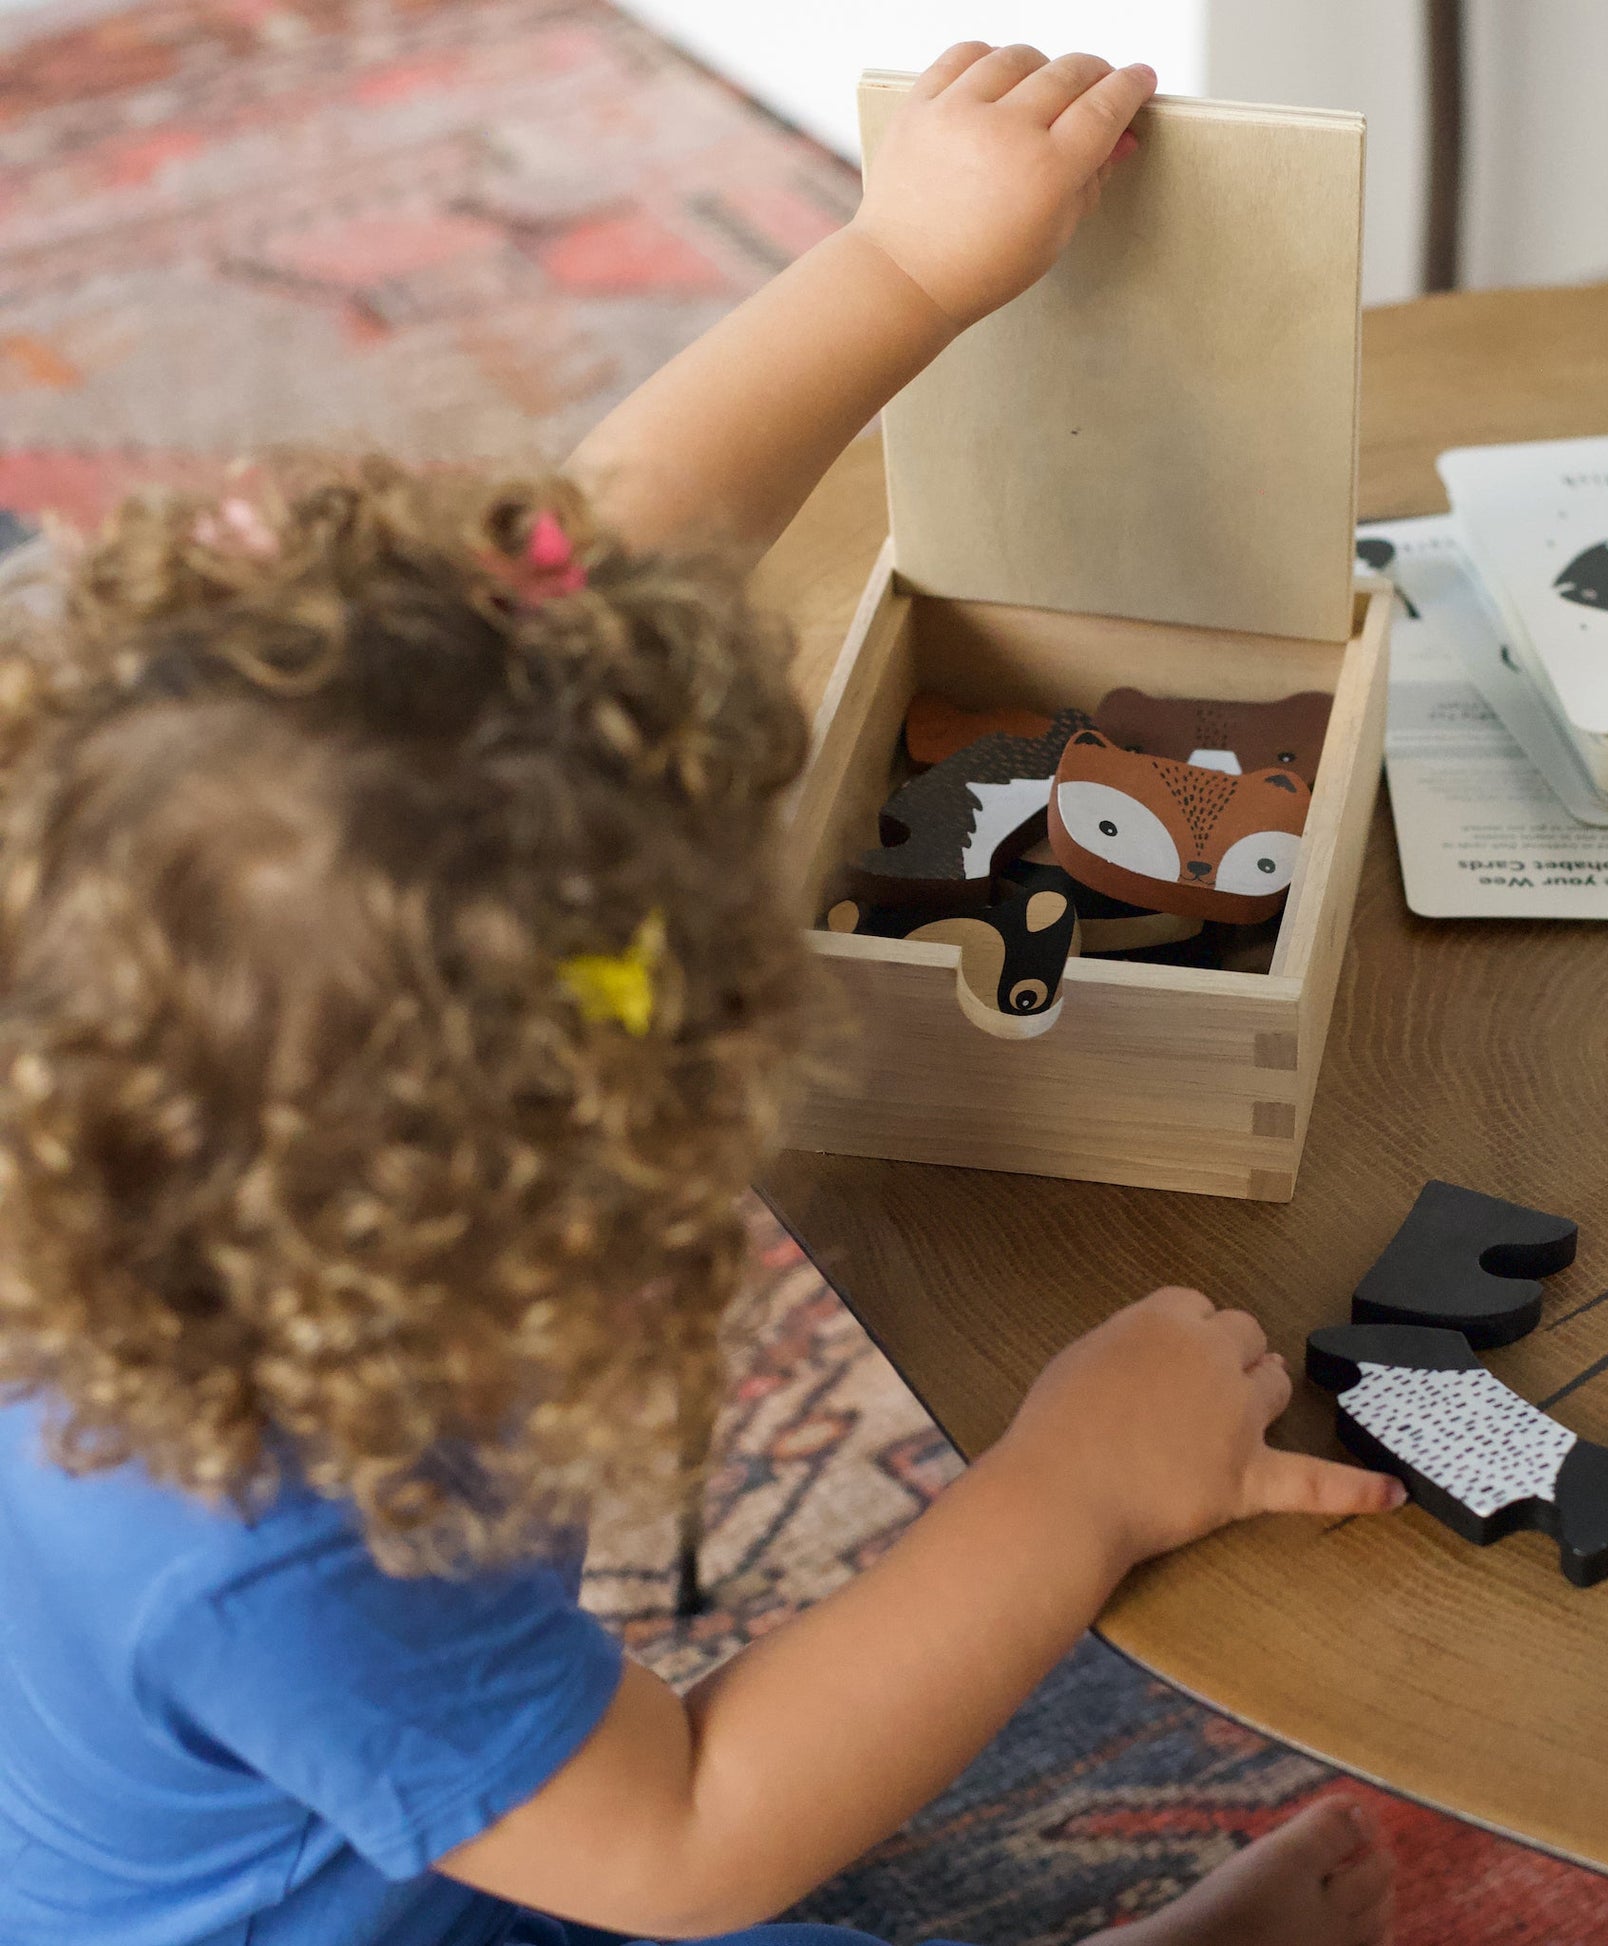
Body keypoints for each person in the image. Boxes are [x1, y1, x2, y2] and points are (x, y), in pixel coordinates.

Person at [0, 41, 1404, 1946]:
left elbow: (602, 537)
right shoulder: (265, 1541)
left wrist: (906, 263)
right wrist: (1072, 1486)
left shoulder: (215, 943)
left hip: (380, 1771)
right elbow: (689, 1831)